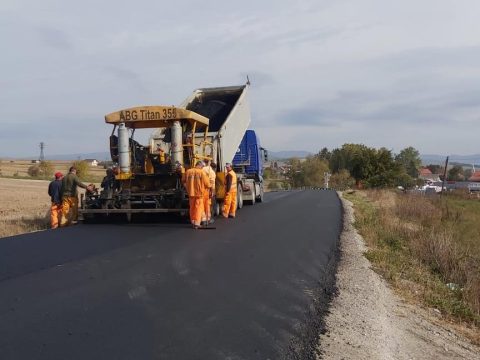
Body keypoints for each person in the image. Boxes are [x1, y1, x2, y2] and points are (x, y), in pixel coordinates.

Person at [184, 161, 210, 229]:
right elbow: (207, 184)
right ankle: (197, 223)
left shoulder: (188, 171)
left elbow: (183, 181)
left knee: (192, 208)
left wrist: (188, 188)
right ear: (200, 165)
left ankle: (193, 222)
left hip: (191, 194)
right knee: (198, 208)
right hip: (199, 194)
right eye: (202, 167)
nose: (202, 168)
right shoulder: (202, 172)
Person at [201, 160, 216, 225]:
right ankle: (207, 219)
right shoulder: (212, 172)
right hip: (207, 190)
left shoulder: (202, 169)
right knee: (207, 205)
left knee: (201, 205)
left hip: (200, 190)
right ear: (214, 168)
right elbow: (212, 183)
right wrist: (212, 191)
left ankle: (201, 218)